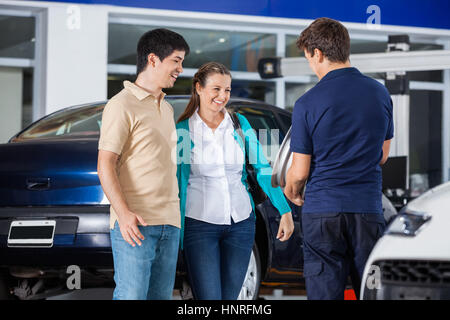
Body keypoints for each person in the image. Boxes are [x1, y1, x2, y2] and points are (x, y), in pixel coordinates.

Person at [284, 18, 393, 300]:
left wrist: (291, 190)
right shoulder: (380, 93)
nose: (310, 64)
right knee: (370, 292)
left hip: (323, 212)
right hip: (368, 210)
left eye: (308, 57)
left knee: (324, 294)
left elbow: (300, 170)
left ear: (317, 53)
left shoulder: (307, 102)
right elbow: (382, 155)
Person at [176, 62, 294, 300]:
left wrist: (284, 210)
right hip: (199, 224)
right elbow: (177, 182)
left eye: (227, 90)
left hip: (241, 222)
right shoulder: (182, 130)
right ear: (198, 88)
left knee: (231, 299)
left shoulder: (240, 124)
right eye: (216, 89)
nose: (223, 96)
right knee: (208, 298)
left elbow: (262, 168)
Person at [97, 28, 190, 300]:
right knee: (132, 296)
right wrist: (124, 214)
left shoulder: (167, 107)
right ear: (153, 59)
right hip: (135, 224)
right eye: (176, 60)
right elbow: (105, 164)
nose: (180, 69)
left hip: (169, 224)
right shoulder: (121, 105)